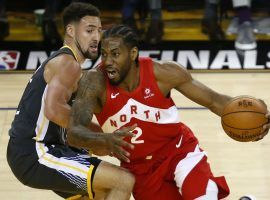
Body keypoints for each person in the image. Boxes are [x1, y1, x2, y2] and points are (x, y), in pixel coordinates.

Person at [68, 24, 270, 200]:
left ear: (133, 53)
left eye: (115, 54)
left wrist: (254, 115)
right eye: (104, 54)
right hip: (140, 170)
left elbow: (214, 100)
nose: (108, 61)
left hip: (179, 152)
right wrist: (104, 140)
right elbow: (73, 132)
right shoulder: (93, 82)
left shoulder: (163, 73)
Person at [6, 3, 136, 200]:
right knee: (122, 181)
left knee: (103, 191)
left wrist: (100, 139)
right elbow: (54, 109)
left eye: (99, 31)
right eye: (89, 30)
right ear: (70, 30)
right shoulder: (68, 64)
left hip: (44, 148)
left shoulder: (66, 64)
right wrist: (101, 138)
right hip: (35, 152)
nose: (96, 37)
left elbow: (67, 123)